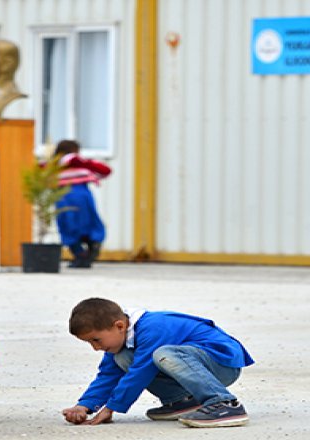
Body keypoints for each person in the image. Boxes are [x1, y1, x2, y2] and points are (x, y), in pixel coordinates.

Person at [61, 298, 254, 428]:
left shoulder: (153, 327)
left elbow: (141, 372)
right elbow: (108, 375)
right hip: (195, 365)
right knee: (122, 358)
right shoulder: (121, 339)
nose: (95, 348)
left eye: (96, 340)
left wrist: (112, 407)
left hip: (222, 364)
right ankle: (183, 402)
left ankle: (224, 403)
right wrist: (85, 406)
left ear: (119, 326)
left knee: (163, 354)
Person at [53, 139, 112, 268]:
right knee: (89, 221)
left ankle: (79, 254)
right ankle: (93, 242)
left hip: (63, 196)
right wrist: (86, 162)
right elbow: (106, 171)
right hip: (83, 194)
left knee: (68, 225)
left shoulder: (54, 165)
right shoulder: (81, 164)